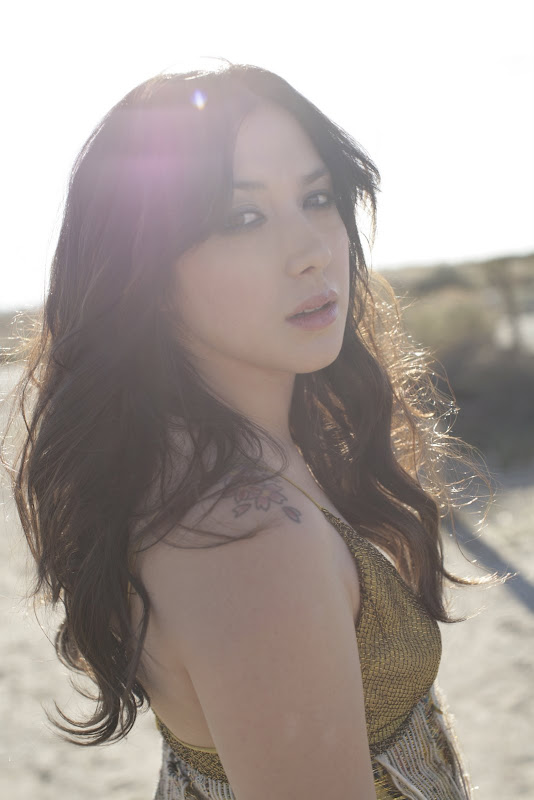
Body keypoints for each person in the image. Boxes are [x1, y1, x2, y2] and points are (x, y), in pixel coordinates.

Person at [5, 59, 503, 799]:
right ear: (146, 272)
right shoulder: (251, 543)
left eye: (317, 198)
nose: (312, 252)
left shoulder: (225, 455)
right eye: (242, 218)